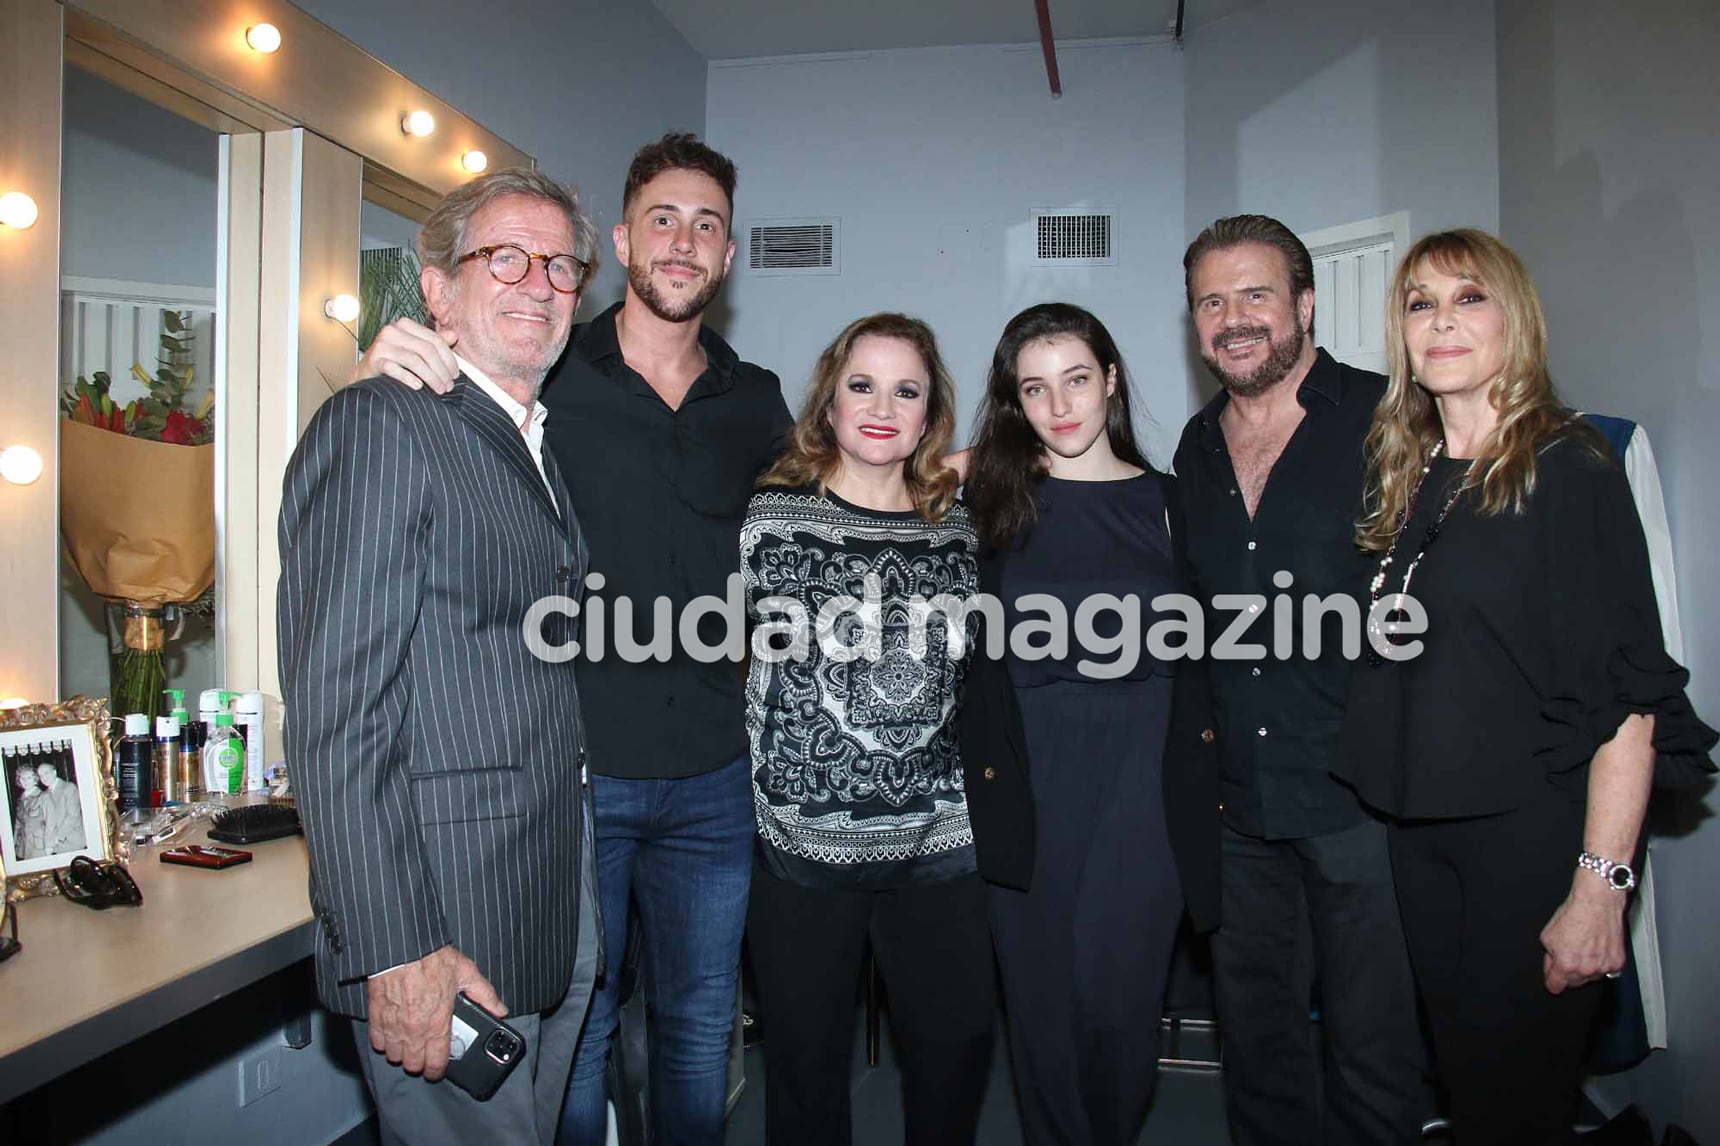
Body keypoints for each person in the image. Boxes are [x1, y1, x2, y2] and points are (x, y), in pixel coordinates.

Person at [356, 134, 790, 1146]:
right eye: (664, 219)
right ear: (626, 241)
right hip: (574, 778)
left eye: (708, 225)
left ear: (727, 257)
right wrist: (387, 360)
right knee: (571, 1029)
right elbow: (424, 456)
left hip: (717, 775)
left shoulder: (759, 401)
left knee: (694, 1032)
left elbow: (838, 511)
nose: (685, 241)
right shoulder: (546, 370)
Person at [1336, 228, 1716, 1145]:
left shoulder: (1568, 467)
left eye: (1469, 298)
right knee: (1474, 1091)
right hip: (1424, 838)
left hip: (1531, 841)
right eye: (1421, 304)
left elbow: (1625, 699)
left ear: (1517, 319)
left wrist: (1600, 889)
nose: (1442, 321)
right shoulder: (1414, 475)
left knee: (1519, 1103)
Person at [278, 167, 602, 1145]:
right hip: (442, 925)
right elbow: (340, 717)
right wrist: (396, 948)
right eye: (504, 255)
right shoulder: (382, 425)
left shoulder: (529, 444)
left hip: (540, 903)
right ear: (435, 287)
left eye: (559, 266)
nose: (536, 282)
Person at [1173, 215, 1427, 1145]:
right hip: (1239, 807)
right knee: (1261, 1047)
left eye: (1255, 294)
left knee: (1374, 1052)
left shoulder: (1389, 418)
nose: (1233, 318)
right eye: (1211, 300)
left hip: (1361, 801)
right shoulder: (1195, 450)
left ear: (1304, 305)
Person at [959, 302, 1220, 1146]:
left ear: (1110, 379)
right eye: (1034, 389)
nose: (1060, 405)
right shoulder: (993, 506)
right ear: (1015, 403)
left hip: (1142, 792)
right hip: (1026, 789)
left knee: (1118, 1008)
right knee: (1039, 1016)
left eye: (1077, 379)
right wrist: (961, 462)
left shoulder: (1175, 504)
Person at [741, 313, 993, 1145]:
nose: (883, 405)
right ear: (829, 400)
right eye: (863, 384)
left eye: (906, 390)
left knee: (953, 1063)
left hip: (940, 847)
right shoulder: (766, 520)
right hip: (800, 851)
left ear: (930, 414)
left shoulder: (959, 527)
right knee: (806, 1077)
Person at [36, 759, 85, 855]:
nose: (44, 778)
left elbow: (73, 816)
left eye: (46, 773)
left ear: (54, 772)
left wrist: (57, 837)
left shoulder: (69, 787)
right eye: (41, 776)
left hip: (72, 842)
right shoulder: (45, 794)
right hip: (56, 846)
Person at [12, 762, 47, 860]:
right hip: (23, 845)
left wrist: (50, 845)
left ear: (35, 779)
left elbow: (51, 822)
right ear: (19, 780)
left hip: (39, 845)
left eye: (29, 778)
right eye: (23, 778)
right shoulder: (21, 799)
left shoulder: (43, 796)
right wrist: (14, 843)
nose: (26, 781)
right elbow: (18, 824)